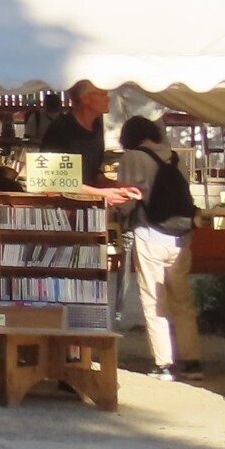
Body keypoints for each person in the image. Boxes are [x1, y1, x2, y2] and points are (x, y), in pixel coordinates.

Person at [117, 116, 203, 380]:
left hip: (149, 233)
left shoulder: (132, 157)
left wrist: (121, 217)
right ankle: (192, 361)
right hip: (180, 236)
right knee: (183, 300)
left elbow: (126, 199)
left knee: (155, 300)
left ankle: (164, 363)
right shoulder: (175, 157)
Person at [39, 81, 143, 209]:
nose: (108, 98)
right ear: (85, 99)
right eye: (102, 94)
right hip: (62, 212)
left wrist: (119, 187)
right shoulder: (61, 129)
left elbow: (94, 173)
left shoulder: (97, 126)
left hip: (88, 210)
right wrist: (101, 194)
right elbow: (50, 181)